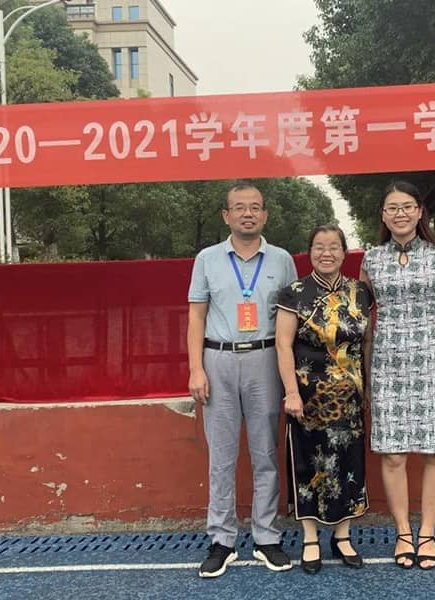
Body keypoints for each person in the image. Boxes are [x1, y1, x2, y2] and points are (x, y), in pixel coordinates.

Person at [360, 180, 435, 571]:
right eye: (392, 208)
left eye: (407, 206)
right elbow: (362, 317)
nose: (400, 214)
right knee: (393, 454)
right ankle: (402, 532)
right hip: (387, 363)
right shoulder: (372, 259)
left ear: (420, 211)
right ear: (383, 215)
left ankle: (426, 533)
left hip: (431, 361)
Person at [187, 181, 297, 577]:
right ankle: (222, 539)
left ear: (265, 214)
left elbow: (291, 319)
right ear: (226, 215)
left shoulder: (282, 260)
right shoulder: (207, 259)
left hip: (265, 359)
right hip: (218, 358)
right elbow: (196, 316)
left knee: (265, 452)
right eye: (239, 207)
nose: (247, 214)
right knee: (222, 455)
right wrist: (196, 368)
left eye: (254, 207)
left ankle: (266, 537)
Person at [275, 225, 372, 575]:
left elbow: (366, 342)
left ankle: (342, 535)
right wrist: (290, 391)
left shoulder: (360, 292)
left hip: (349, 395)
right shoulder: (294, 293)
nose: (326, 253)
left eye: (333, 247)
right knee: (309, 463)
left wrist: (367, 388)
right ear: (310, 251)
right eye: (319, 246)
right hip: (307, 396)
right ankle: (310, 537)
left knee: (348, 462)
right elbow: (283, 345)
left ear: (345, 252)